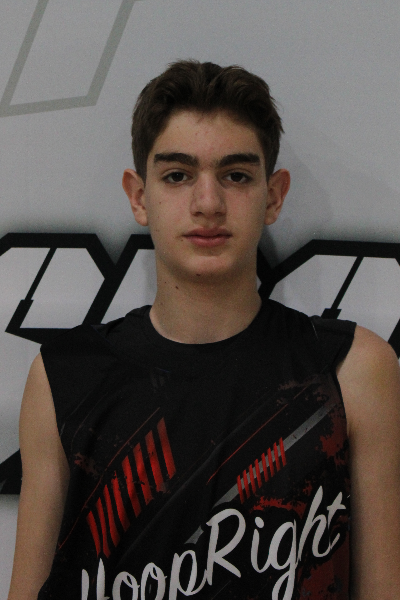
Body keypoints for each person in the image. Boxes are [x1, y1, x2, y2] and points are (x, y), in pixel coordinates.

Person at [7, 60, 400, 600]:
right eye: (178, 175)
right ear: (139, 196)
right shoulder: (64, 376)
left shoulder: (352, 371)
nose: (208, 203)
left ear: (273, 195)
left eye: (236, 176)